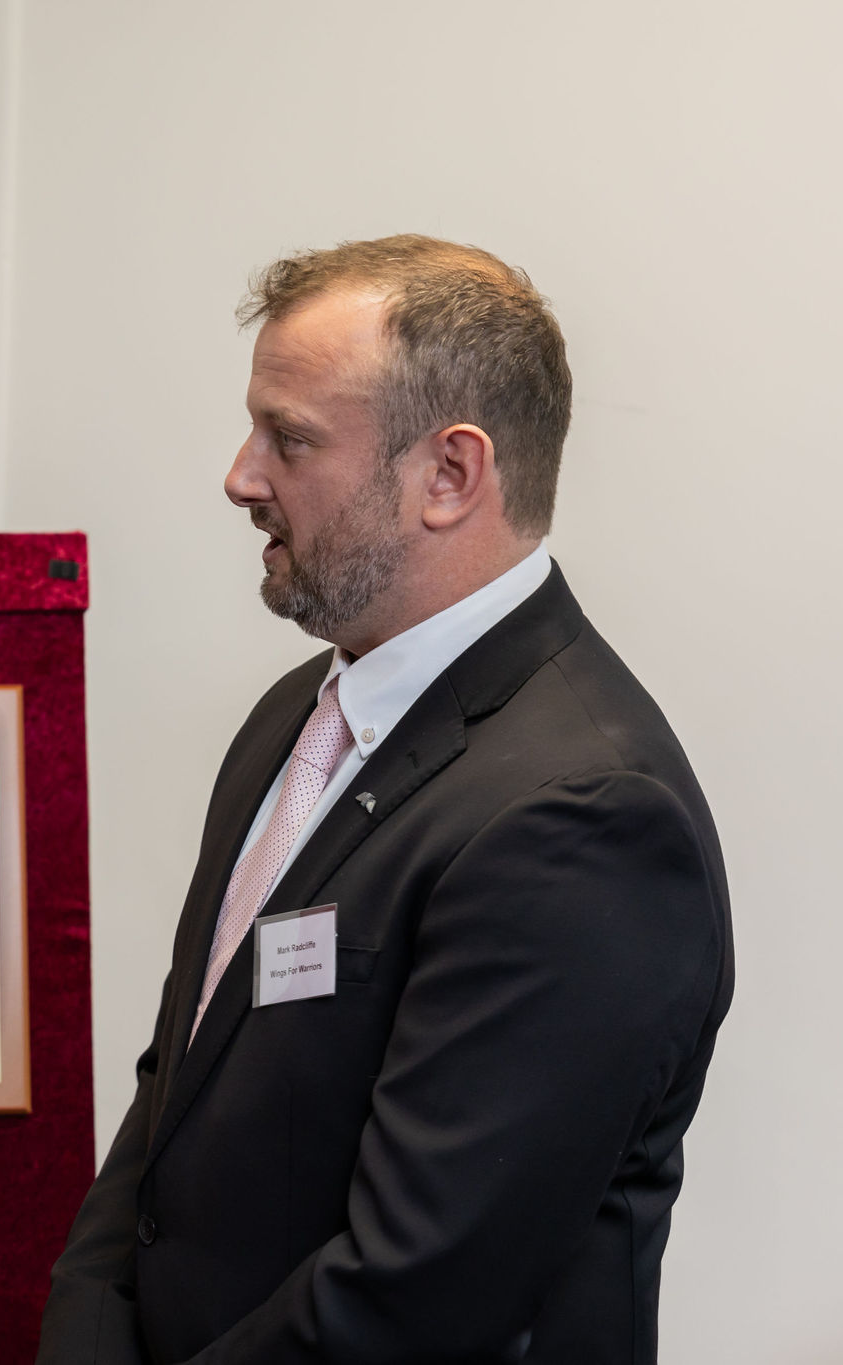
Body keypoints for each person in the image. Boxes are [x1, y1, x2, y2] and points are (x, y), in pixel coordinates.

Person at [40, 237, 733, 1364]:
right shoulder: (294, 719)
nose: (240, 474)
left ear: (448, 476)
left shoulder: (582, 816)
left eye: (291, 438)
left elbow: (415, 1298)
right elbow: (172, 1100)